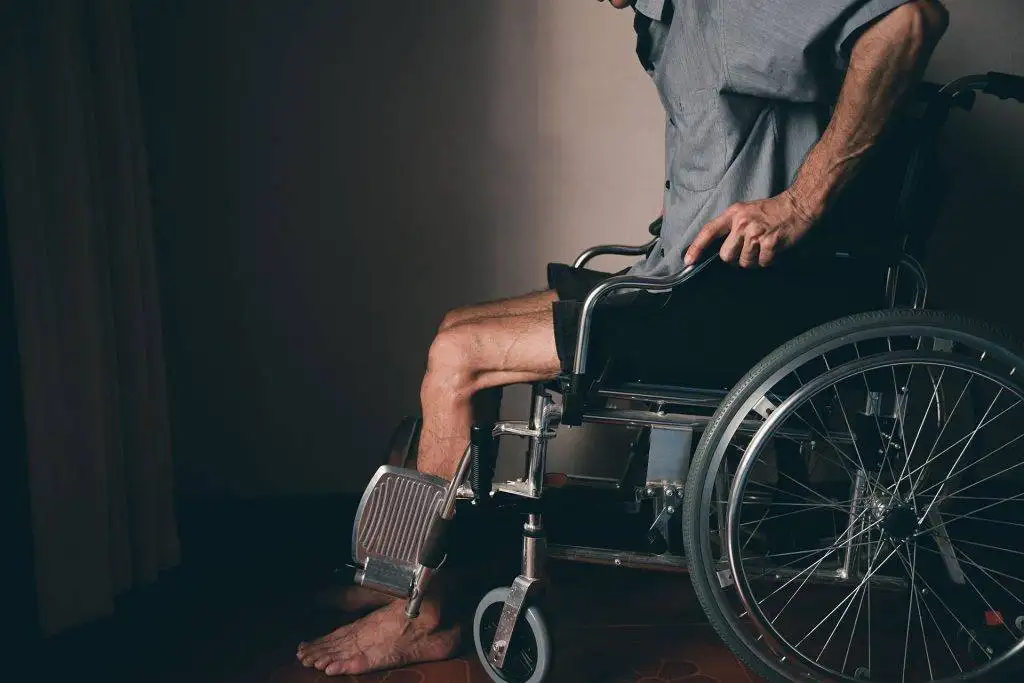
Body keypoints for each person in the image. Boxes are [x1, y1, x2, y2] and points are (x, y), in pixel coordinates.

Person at [296, 0, 949, 675]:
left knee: (457, 358)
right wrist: (695, 200)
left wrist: (799, 205)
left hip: (725, 305)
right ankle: (406, 567)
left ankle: (420, 614)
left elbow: (910, 19)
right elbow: (745, 126)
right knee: (454, 329)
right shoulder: (663, 22)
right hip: (677, 279)